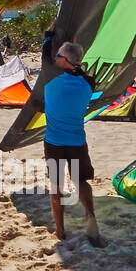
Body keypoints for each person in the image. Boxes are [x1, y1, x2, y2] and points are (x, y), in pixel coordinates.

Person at [43, 42, 103, 247]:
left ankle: (60, 232)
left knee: (56, 185)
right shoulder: (89, 82)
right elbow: (78, 70)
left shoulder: (52, 77)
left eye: (59, 55)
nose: (55, 57)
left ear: (65, 61)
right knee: (81, 181)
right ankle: (90, 215)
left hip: (55, 142)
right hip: (77, 141)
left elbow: (45, 52)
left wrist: (50, 35)